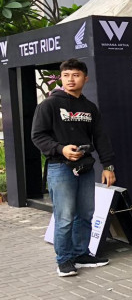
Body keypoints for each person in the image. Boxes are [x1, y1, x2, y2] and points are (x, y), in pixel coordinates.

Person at [31, 58, 116, 277]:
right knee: (65, 216)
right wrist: (61, 149)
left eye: (76, 75)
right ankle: (64, 260)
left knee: (86, 214)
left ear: (85, 79)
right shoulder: (49, 104)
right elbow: (38, 136)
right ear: (61, 77)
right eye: (66, 75)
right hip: (60, 168)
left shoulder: (89, 107)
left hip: (86, 167)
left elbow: (100, 137)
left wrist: (108, 165)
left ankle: (81, 254)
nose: (71, 79)